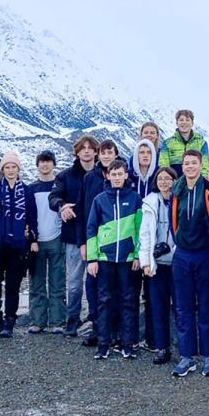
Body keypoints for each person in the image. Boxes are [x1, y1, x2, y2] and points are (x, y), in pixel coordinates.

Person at [169, 149, 209, 378]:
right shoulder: (177, 190)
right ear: (182, 166)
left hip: (206, 254)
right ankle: (187, 356)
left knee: (206, 306)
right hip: (182, 254)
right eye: (186, 163)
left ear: (201, 165)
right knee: (183, 307)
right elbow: (174, 220)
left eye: (194, 163)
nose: (190, 167)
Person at [85, 159, 144, 359]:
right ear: (108, 176)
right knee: (104, 301)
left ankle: (127, 344)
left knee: (129, 301)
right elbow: (91, 229)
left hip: (128, 259)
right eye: (114, 174)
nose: (117, 178)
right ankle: (103, 344)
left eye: (120, 174)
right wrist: (92, 258)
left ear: (126, 175)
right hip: (105, 259)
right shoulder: (100, 200)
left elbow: (139, 229)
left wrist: (137, 255)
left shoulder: (135, 199)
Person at [0, 150, 38, 338]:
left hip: (18, 245)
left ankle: (9, 321)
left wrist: (34, 239)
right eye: (7, 167)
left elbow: (32, 217)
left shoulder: (26, 191)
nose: (11, 170)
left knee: (13, 284)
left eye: (14, 167)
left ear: (18, 169)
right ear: (2, 170)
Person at [48, 135, 99, 338]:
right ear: (76, 152)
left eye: (90, 148)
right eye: (82, 148)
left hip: (99, 237)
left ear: (96, 151)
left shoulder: (102, 175)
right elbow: (53, 197)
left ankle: (96, 319)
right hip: (73, 237)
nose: (86, 151)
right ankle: (73, 318)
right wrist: (61, 206)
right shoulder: (65, 176)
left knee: (97, 281)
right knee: (75, 282)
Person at [75, 139, 120, 346]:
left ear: (116, 154)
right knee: (92, 285)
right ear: (98, 155)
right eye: (103, 152)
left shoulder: (121, 177)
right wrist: (82, 242)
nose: (106, 156)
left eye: (110, 152)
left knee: (114, 288)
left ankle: (115, 330)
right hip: (94, 242)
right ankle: (96, 327)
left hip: (116, 245)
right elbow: (82, 212)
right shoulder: (89, 178)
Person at [140, 166, 179, 365]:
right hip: (157, 264)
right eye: (161, 179)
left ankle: (184, 347)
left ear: (174, 180)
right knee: (158, 306)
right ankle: (162, 347)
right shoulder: (150, 203)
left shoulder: (181, 200)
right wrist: (146, 261)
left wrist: (170, 249)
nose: (164, 182)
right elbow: (145, 234)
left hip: (177, 263)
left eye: (168, 178)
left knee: (181, 306)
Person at [27, 150, 66, 334]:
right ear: (37, 165)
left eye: (48, 162)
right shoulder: (31, 188)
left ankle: (58, 321)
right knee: (37, 282)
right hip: (36, 241)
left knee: (58, 281)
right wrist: (30, 238)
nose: (45, 165)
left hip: (57, 238)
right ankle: (37, 321)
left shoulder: (60, 186)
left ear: (53, 164)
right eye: (42, 162)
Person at [130, 136, 160, 352]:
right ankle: (130, 337)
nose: (145, 156)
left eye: (148, 152)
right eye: (141, 152)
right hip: (131, 241)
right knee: (130, 293)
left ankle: (152, 338)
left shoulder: (159, 178)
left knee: (152, 295)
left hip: (152, 242)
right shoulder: (129, 177)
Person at [158, 109, 209, 176]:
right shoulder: (167, 143)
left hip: (195, 181)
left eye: (187, 120)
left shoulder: (201, 143)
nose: (184, 122)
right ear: (177, 123)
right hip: (175, 182)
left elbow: (205, 165)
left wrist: (202, 179)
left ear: (192, 123)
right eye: (181, 120)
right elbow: (164, 165)